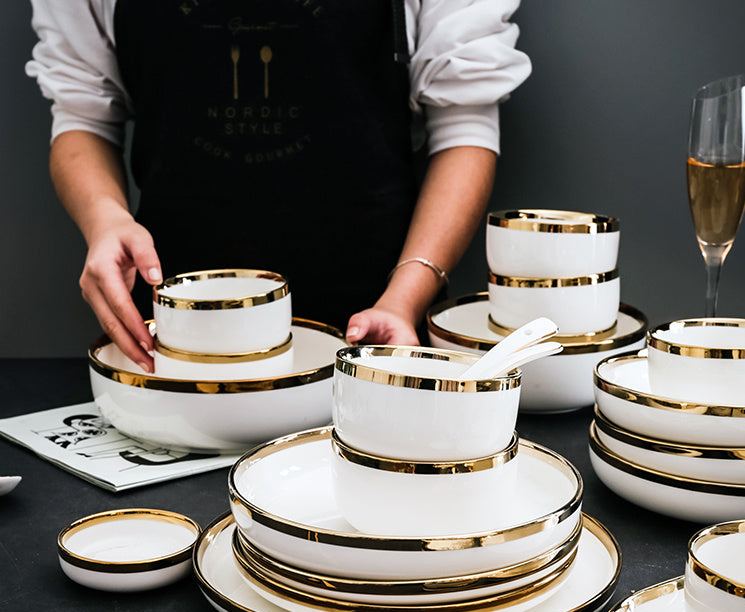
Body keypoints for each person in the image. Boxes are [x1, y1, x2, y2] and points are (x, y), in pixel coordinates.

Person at [26, 1, 531, 372]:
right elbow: (83, 117)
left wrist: (404, 299)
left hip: (371, 343)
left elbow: (464, 127)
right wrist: (104, 220)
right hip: (170, 350)